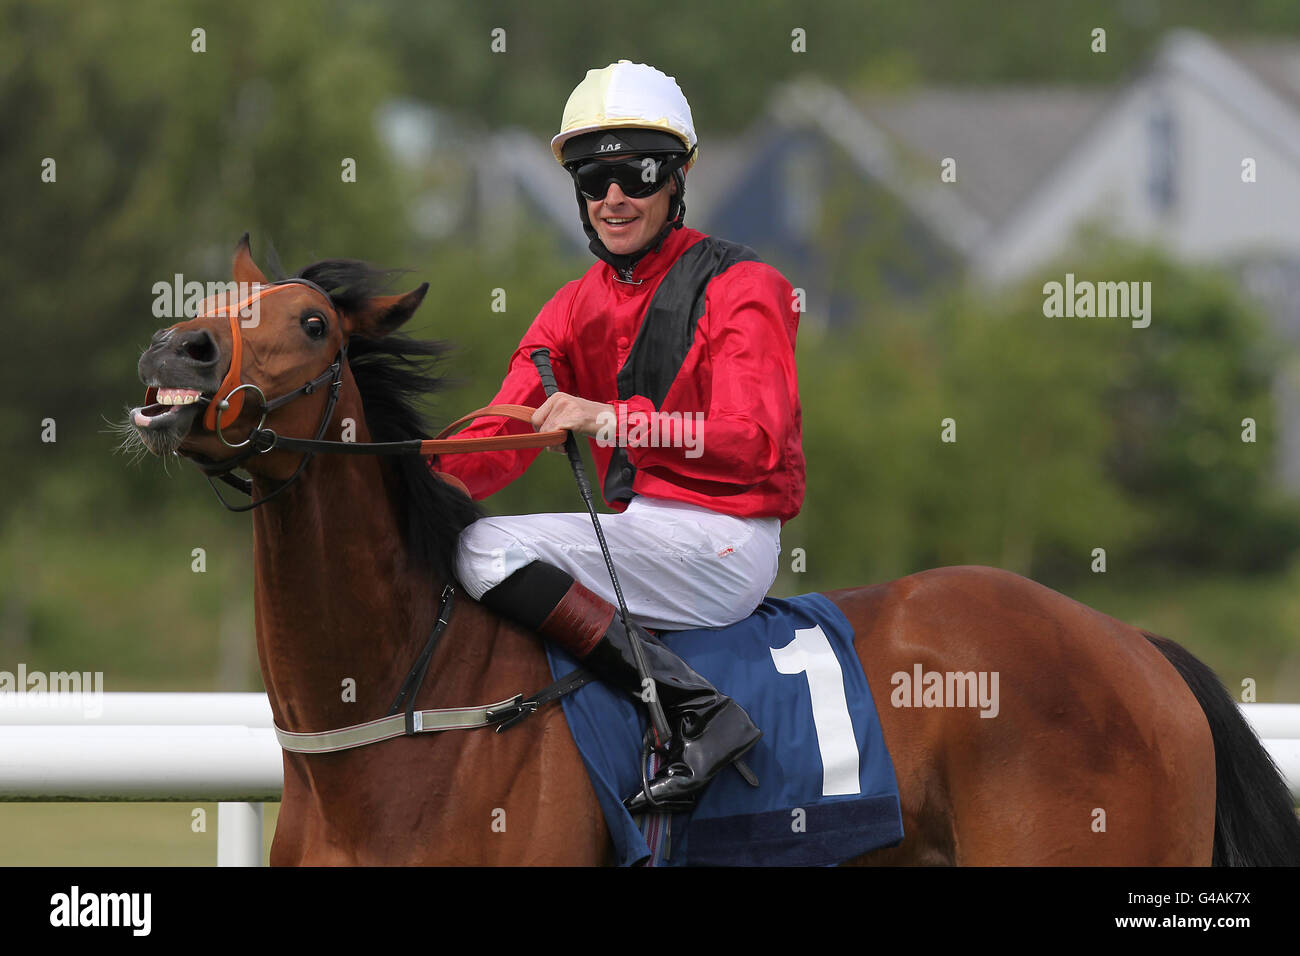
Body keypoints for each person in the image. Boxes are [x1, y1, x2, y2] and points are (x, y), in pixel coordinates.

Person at [430, 60, 805, 813]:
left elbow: (756, 442)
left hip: (727, 541)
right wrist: (406, 482)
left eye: (635, 174)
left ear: (679, 175)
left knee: (486, 549)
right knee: (452, 538)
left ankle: (696, 710)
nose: (612, 198)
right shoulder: (570, 309)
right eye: (592, 179)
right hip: (644, 536)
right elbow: (502, 434)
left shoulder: (744, 286)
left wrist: (610, 417)